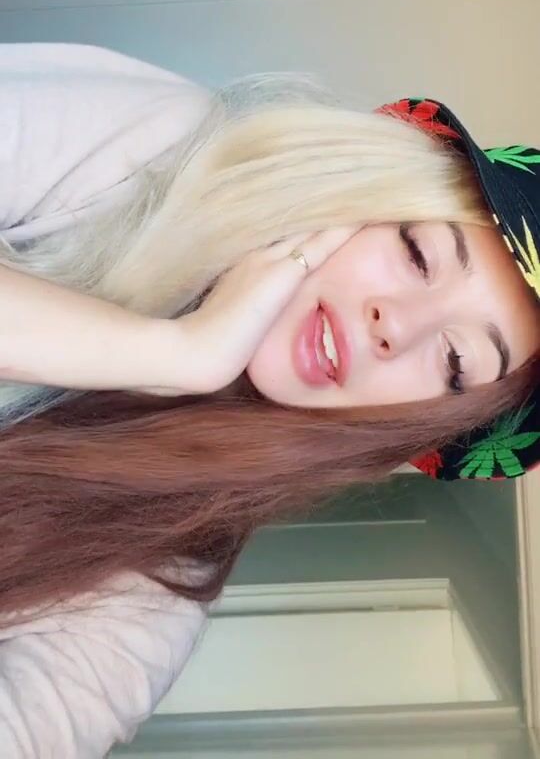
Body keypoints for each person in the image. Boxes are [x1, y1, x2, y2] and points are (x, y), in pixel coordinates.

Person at [0, 42, 538, 757]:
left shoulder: (150, 592)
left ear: (419, 426)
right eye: (417, 254)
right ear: (366, 191)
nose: (397, 325)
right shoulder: (152, 141)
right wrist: (162, 351)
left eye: (455, 360)